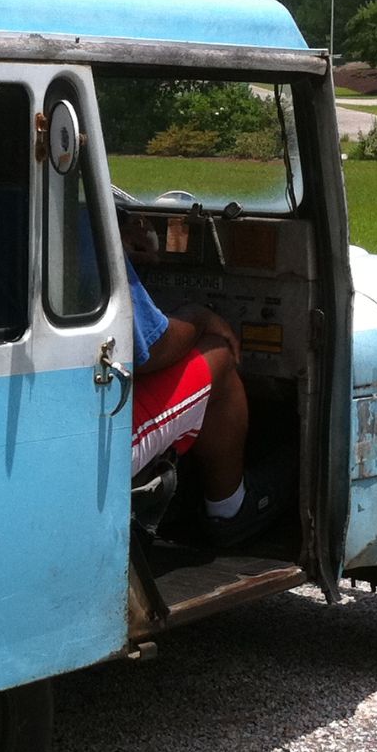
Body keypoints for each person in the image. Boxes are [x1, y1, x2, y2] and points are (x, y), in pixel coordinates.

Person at [120, 212, 284, 546]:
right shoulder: (80, 228)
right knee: (219, 353)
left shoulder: (9, 213)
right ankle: (230, 509)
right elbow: (153, 348)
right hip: (92, 442)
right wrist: (199, 316)